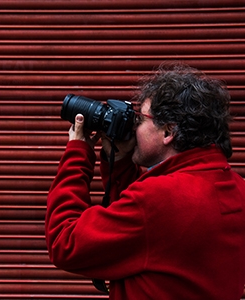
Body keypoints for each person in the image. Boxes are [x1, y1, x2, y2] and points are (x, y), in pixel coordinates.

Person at [45, 63, 245, 299]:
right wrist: (119, 161)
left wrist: (78, 153)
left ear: (169, 132)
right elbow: (145, 239)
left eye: (140, 119)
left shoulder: (161, 200)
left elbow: (64, 242)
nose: (133, 127)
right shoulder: (235, 187)